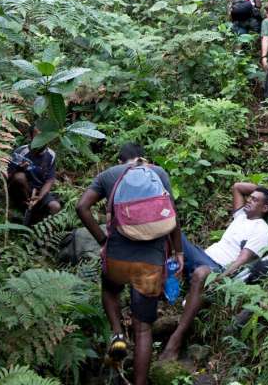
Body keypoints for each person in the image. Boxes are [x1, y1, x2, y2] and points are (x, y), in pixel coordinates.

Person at [75, 143, 183, 385]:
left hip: (117, 257)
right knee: (143, 328)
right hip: (151, 263)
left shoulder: (108, 175)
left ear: (120, 159)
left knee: (110, 291)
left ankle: (117, 333)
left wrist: (103, 239)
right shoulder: (159, 174)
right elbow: (173, 216)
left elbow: (81, 207)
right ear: (142, 156)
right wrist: (178, 252)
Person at [158, 182, 268, 361]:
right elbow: (237, 187)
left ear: (265, 207)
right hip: (201, 255)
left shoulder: (261, 230)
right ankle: (161, 290)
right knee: (170, 227)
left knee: (202, 273)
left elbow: (240, 262)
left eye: (255, 200)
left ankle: (176, 339)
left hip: (215, 268)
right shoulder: (241, 216)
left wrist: (219, 279)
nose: (249, 200)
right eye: (250, 197)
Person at [7, 126, 62, 226]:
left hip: (39, 192)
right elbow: (9, 176)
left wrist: (40, 197)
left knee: (55, 207)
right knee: (19, 177)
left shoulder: (51, 155)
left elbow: (49, 180)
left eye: (44, 136)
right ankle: (25, 208)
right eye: (38, 136)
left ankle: (44, 234)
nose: (41, 139)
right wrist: (19, 169)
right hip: (21, 192)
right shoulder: (22, 151)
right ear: (31, 137)